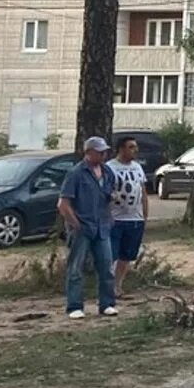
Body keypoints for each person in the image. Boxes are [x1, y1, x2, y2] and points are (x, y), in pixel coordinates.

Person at [57, 137, 117, 319]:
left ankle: (107, 303)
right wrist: (75, 224)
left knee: (106, 265)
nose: (103, 154)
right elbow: (63, 203)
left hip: (102, 226)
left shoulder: (107, 172)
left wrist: (110, 211)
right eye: (99, 152)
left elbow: (108, 196)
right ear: (88, 152)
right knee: (76, 267)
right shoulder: (76, 173)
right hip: (82, 227)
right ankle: (75, 306)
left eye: (104, 151)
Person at [107, 136, 149, 301]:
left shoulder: (137, 167)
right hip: (115, 218)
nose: (135, 150)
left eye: (135, 147)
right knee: (111, 254)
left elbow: (143, 191)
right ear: (121, 149)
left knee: (127, 255)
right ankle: (107, 286)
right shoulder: (110, 167)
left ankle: (118, 286)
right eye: (131, 147)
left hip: (135, 218)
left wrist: (145, 215)